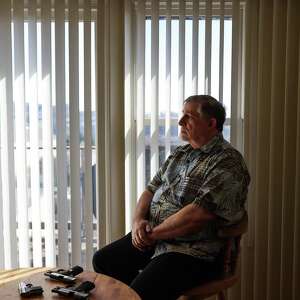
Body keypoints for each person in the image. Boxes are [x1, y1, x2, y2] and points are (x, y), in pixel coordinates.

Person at [92, 95, 250, 300]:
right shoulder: (181, 154)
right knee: (104, 261)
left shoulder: (228, 162)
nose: (180, 121)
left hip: (195, 251)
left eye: (189, 117)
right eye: (182, 114)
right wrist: (139, 221)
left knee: (141, 292)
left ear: (211, 123)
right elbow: (150, 190)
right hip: (157, 239)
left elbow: (197, 215)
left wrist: (154, 234)